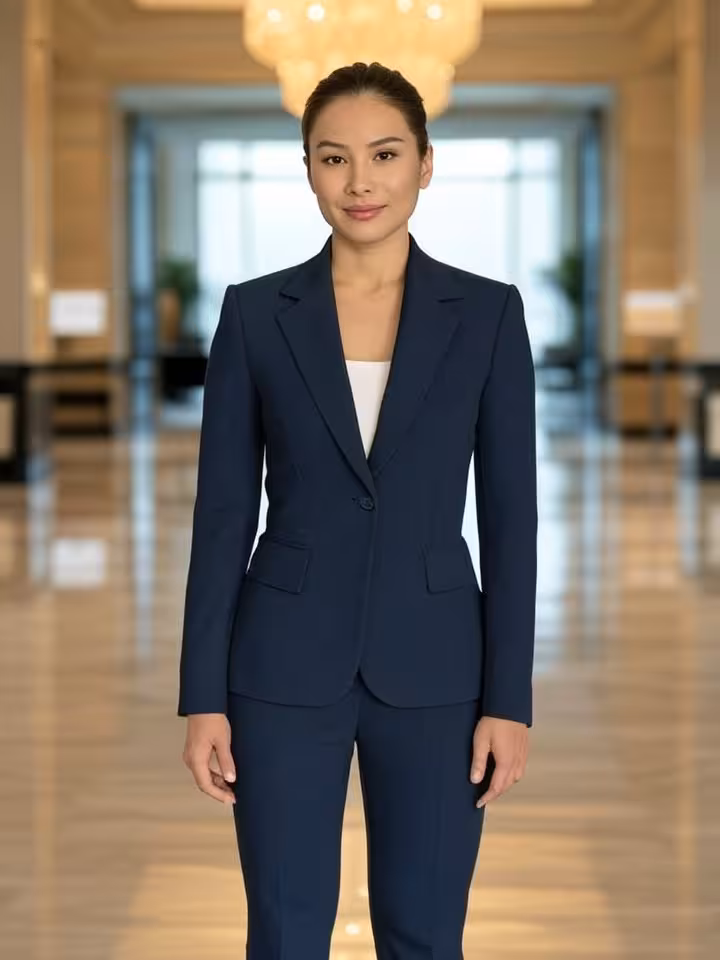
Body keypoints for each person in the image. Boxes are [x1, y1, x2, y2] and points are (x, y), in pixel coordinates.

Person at [179, 61, 537, 960]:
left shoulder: (488, 316)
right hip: (278, 669)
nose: (360, 181)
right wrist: (201, 697)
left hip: (440, 673)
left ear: (425, 162)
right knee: (286, 932)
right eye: (333, 159)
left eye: (384, 154)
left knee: (424, 934)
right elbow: (221, 514)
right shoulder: (257, 316)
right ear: (307, 170)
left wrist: (511, 699)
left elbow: (512, 519)